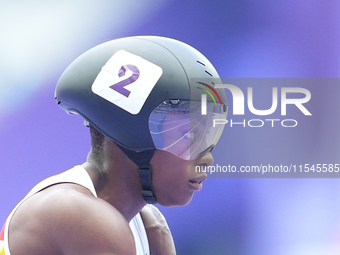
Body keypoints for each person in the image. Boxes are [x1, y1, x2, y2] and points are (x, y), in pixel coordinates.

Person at [0, 36, 227, 255]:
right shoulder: (77, 214)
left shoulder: (150, 226)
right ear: (133, 136)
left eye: (208, 135)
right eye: (188, 134)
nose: (207, 158)